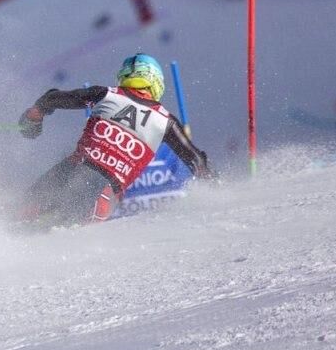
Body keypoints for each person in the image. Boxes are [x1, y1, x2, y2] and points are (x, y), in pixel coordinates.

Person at [17, 54, 213, 227]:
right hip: (103, 194)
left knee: (19, 214)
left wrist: (34, 116)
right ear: (156, 83)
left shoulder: (106, 94)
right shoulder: (165, 122)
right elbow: (197, 160)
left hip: (70, 172)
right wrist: (217, 188)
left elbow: (52, 98)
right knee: (58, 228)